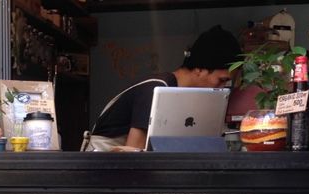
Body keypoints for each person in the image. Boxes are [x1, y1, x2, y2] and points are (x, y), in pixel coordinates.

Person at [81, 25, 242, 151]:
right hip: (103, 171)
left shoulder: (181, 95)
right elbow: (133, 155)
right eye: (222, 80)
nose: (224, 88)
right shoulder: (154, 89)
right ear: (200, 68)